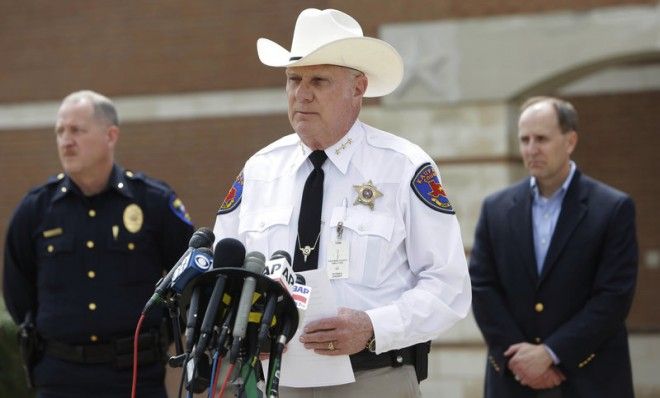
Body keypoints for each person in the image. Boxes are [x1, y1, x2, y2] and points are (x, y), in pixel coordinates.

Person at [213, 8, 471, 397]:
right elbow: (223, 270)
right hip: (270, 380)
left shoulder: (403, 167)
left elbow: (448, 287)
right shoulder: (260, 170)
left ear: (358, 87)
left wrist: (372, 327)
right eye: (293, 79)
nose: (302, 93)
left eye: (318, 80)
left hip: (372, 377)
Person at [3, 90, 195, 398]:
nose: (66, 140)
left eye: (77, 130)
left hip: (135, 376)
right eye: (60, 131)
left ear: (110, 135)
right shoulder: (36, 209)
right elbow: (17, 292)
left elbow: (192, 275)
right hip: (59, 377)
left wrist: (162, 336)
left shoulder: (152, 202)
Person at [469, 96, 638, 398]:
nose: (531, 149)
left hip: (591, 380)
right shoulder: (495, 208)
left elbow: (613, 296)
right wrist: (523, 362)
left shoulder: (613, 208)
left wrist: (551, 353)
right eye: (524, 139)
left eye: (542, 139)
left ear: (570, 140)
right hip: (513, 381)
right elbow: (482, 287)